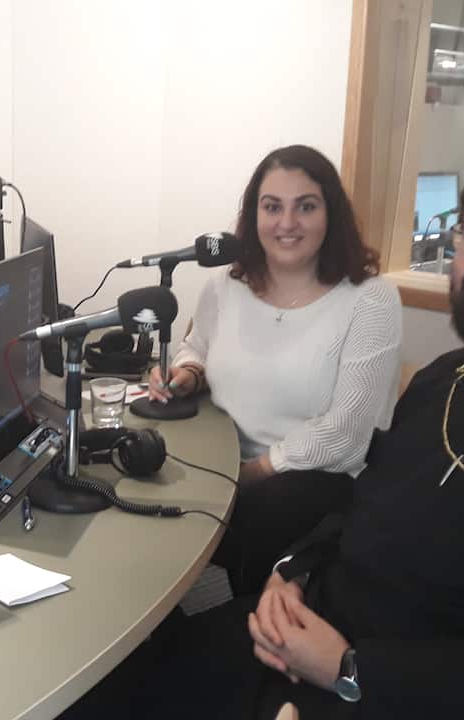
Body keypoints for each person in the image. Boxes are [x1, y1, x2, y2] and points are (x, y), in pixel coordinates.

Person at [68, 145, 464, 719]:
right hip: (310, 624)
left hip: (389, 688)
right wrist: (290, 570)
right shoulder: (447, 377)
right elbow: (364, 505)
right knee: (100, 682)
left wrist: (347, 670)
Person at [147, 144, 402, 594]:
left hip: (308, 484)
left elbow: (345, 435)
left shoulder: (370, 300)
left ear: (331, 214)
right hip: (220, 465)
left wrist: (252, 474)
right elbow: (196, 347)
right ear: (254, 215)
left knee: (196, 538)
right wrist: (186, 374)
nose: (287, 223)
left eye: (305, 206)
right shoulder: (226, 284)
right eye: (272, 207)